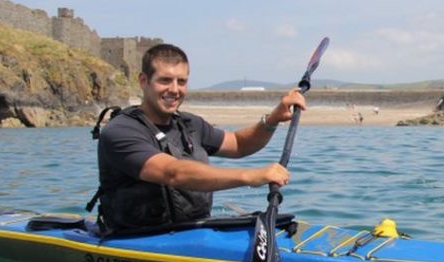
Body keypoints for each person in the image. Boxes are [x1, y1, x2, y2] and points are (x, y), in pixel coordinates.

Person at [92, 43, 306, 234]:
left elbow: (239, 144)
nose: (174, 89)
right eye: (165, 80)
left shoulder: (190, 124)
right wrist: (250, 176)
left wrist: (273, 119)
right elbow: (172, 172)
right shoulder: (120, 131)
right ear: (144, 81)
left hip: (191, 230)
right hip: (133, 236)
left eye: (182, 81)